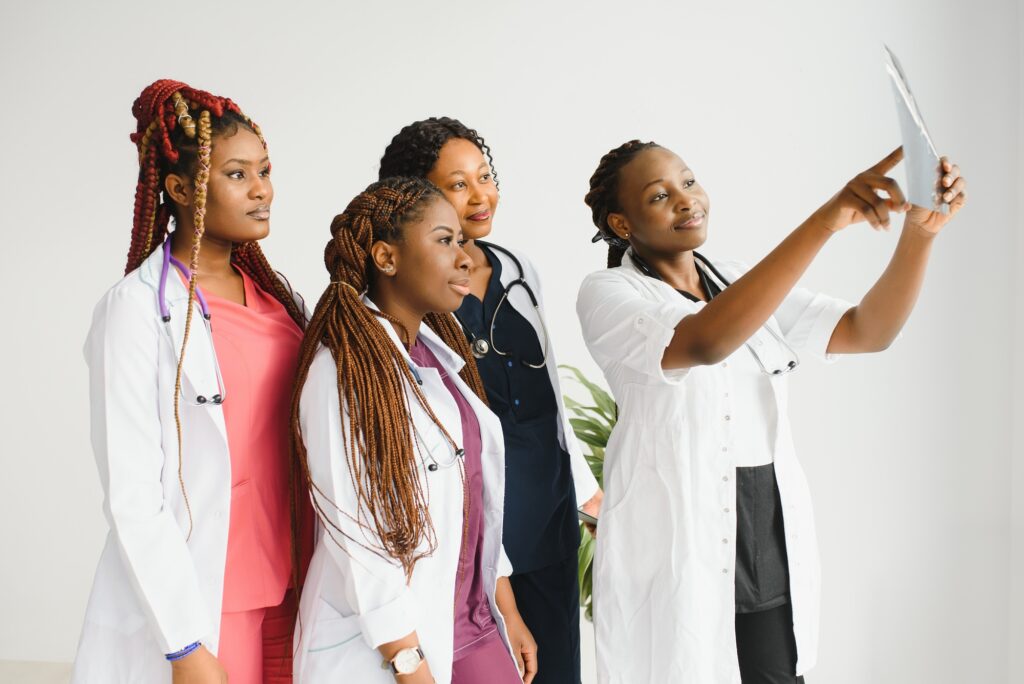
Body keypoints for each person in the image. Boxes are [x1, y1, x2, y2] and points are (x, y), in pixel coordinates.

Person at [576, 140, 966, 683]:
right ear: (621, 223)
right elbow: (706, 341)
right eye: (660, 195)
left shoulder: (739, 280)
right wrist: (825, 222)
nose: (686, 200)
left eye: (689, 182)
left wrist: (920, 235)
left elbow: (866, 330)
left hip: (765, 529)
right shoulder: (609, 293)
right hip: (680, 544)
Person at [72, 79, 310, 683]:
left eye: (264, 169)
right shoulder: (137, 308)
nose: (262, 190)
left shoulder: (277, 301)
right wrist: (184, 645)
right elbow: (133, 493)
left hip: (296, 579)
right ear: (179, 189)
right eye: (237, 174)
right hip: (210, 595)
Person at [379, 118, 603, 683]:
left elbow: (546, 390)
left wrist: (585, 487)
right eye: (458, 184)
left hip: (549, 516)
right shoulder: (412, 290)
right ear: (417, 199)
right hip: (474, 529)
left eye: (486, 176)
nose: (481, 196)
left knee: (556, 672)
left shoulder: (517, 268)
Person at [291, 177, 537, 683]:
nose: (466, 257)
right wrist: (408, 663)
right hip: (395, 642)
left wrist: (505, 607)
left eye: (462, 241)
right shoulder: (344, 369)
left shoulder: (436, 354)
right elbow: (357, 535)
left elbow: (473, 498)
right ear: (386, 257)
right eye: (445, 240)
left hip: (471, 620)